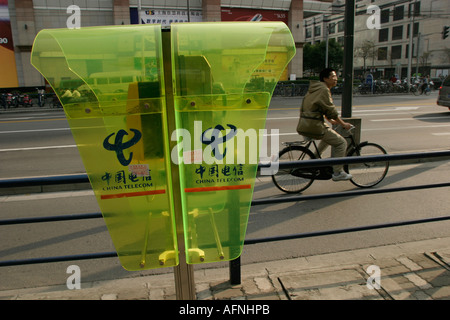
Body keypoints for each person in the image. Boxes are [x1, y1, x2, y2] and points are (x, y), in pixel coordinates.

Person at [296, 68, 353, 181]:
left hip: (307, 123)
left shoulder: (316, 88)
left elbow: (320, 107)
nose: (336, 78)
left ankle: (313, 161)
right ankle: (338, 172)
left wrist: (330, 120)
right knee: (341, 143)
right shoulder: (323, 90)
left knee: (328, 138)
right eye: (333, 76)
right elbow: (330, 109)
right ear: (325, 78)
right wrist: (343, 124)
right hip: (314, 125)